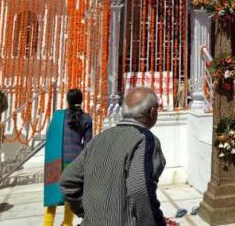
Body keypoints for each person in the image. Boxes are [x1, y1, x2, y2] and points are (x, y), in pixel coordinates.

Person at [60, 88, 168, 226]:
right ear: (152, 112)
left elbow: (67, 180)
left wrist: (88, 212)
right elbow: (140, 190)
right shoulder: (144, 140)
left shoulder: (99, 138)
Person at [44, 89, 93, 226]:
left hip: (55, 160)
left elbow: (50, 136)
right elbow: (88, 144)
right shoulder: (86, 118)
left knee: (52, 198)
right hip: (75, 161)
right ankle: (67, 224)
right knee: (70, 197)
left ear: (67, 100)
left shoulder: (58, 116)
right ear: (81, 100)